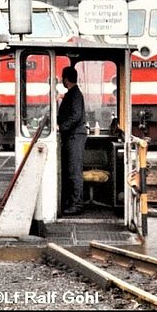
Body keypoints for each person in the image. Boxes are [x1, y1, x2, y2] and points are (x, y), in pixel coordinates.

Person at [56, 66, 87, 216]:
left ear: (65, 79)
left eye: (62, 78)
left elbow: (76, 116)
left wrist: (60, 127)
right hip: (72, 136)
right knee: (70, 171)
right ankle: (71, 201)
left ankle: (77, 204)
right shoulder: (72, 94)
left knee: (74, 172)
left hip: (75, 136)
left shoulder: (75, 95)